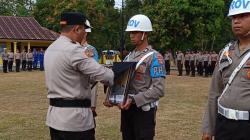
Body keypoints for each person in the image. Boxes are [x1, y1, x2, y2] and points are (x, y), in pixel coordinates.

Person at [44, 12, 114, 140]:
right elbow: (105, 76)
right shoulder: (75, 50)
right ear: (76, 29)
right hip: (75, 121)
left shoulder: (51, 49)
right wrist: (114, 72)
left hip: (55, 118)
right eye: (83, 29)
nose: (84, 34)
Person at [105, 14, 165, 140]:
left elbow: (158, 89)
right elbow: (121, 82)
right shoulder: (128, 57)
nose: (132, 35)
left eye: (135, 32)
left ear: (145, 33)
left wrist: (134, 99)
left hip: (143, 112)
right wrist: (111, 96)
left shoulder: (155, 57)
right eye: (130, 32)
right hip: (126, 111)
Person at [202, 1, 250, 139]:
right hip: (224, 125)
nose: (236, 21)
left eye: (242, 16)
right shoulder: (226, 52)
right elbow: (214, 92)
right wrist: (208, 128)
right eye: (233, 17)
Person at [81, 19, 99, 118]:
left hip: (88, 90)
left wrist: (93, 104)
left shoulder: (91, 50)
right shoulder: (71, 48)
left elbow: (95, 73)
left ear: (85, 33)